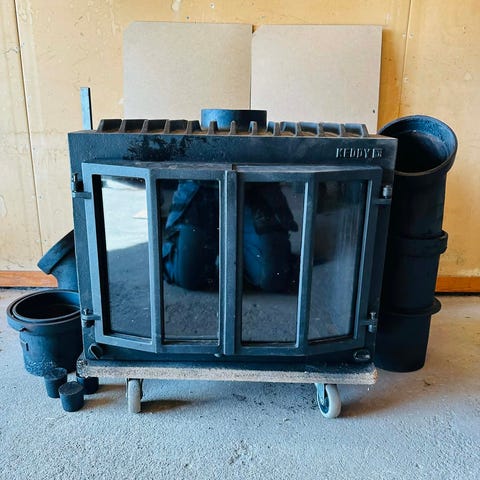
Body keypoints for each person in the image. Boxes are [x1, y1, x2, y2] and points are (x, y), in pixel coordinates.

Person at [162, 181, 298, 293]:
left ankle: (247, 254)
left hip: (254, 187)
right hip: (201, 186)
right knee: (187, 277)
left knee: (271, 278)